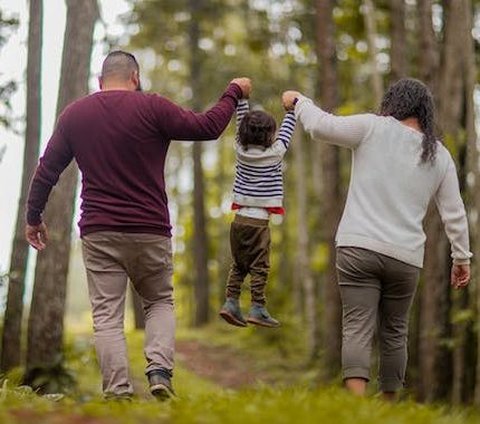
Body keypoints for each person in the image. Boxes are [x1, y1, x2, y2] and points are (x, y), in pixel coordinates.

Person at [25, 50, 251, 400]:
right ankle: (160, 371)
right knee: (159, 301)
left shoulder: (76, 115)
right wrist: (233, 91)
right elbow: (208, 127)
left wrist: (33, 217)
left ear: (101, 82)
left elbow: (47, 170)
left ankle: (117, 392)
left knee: (107, 316)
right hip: (150, 229)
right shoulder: (153, 107)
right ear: (135, 77)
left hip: (99, 231)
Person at [282, 78, 472, 399]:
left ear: (392, 103)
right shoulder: (439, 155)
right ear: (425, 112)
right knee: (395, 334)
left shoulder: (372, 127)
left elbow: (321, 127)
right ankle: (387, 409)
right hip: (405, 257)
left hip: (358, 248)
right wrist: (462, 258)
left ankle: (358, 408)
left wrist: (299, 101)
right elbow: (454, 212)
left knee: (357, 326)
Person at [219, 97, 296, 328]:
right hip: (259, 224)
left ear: (243, 133)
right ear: (269, 135)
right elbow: (286, 132)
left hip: (239, 221)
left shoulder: (239, 150)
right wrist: (291, 111)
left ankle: (231, 302)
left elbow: (240, 120)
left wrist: (242, 99)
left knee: (239, 265)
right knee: (259, 267)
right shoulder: (275, 153)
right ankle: (257, 307)